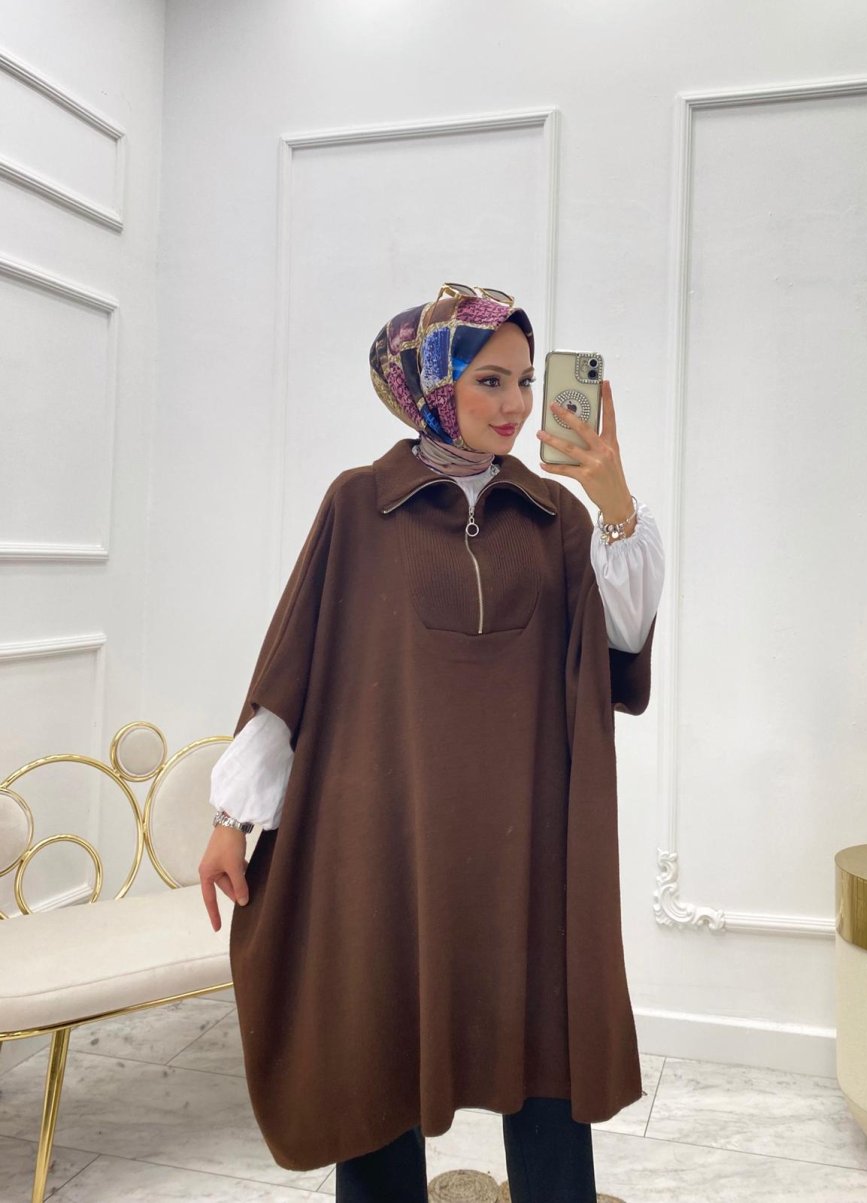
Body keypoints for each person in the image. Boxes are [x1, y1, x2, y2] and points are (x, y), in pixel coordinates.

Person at [198, 283, 664, 1203]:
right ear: (432, 385)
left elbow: (618, 640)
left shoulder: (556, 515)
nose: (516, 403)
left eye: (525, 380)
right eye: (490, 380)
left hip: (529, 839)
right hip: (388, 835)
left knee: (545, 1040)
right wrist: (231, 816)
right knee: (377, 1036)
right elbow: (295, 665)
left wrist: (614, 504)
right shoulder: (361, 505)